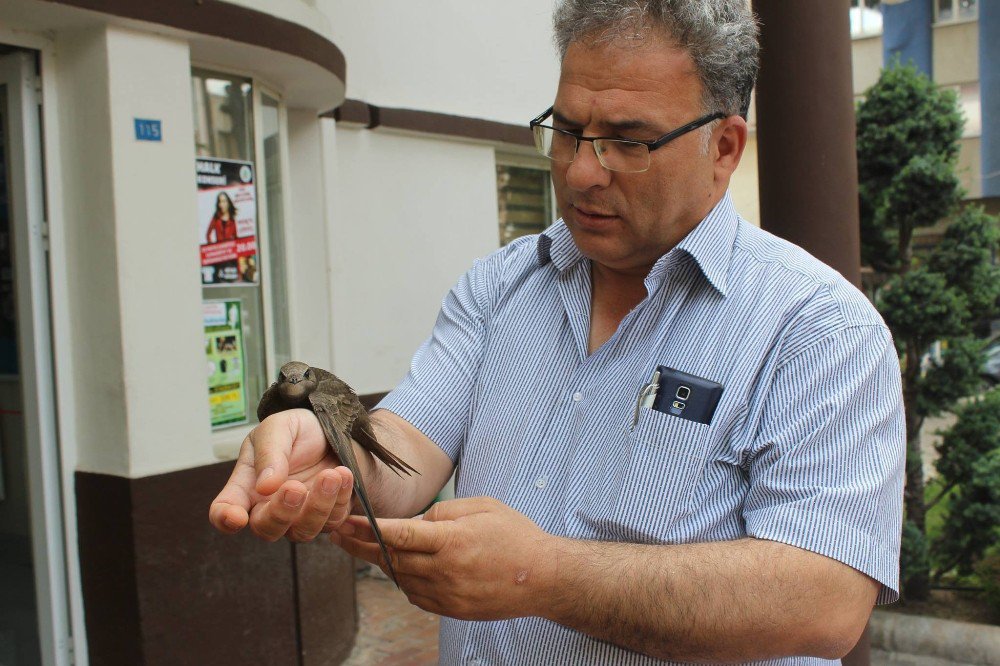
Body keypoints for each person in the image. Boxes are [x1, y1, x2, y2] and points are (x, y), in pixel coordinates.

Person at [209, 1, 905, 663]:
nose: (578, 173)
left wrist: (545, 575)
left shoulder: (817, 330)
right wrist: (328, 449)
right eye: (568, 130)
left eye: (627, 142)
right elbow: (405, 449)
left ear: (723, 147)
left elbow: (824, 600)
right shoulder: (499, 287)